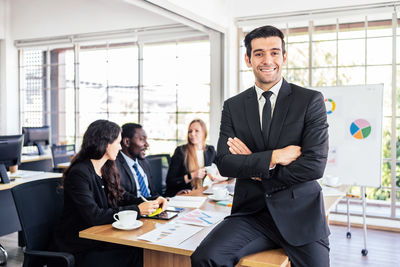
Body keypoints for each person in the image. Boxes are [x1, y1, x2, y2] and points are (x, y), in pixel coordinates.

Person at [191, 25, 330, 267]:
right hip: (252, 215)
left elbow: (314, 166)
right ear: (248, 59)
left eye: (275, 52)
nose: (267, 60)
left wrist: (254, 165)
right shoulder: (233, 106)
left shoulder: (310, 100)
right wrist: (275, 156)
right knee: (205, 257)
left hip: (301, 216)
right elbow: (225, 163)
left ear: (284, 57)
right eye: (259, 53)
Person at [51, 120, 167, 267]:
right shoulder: (79, 173)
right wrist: (138, 210)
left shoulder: (107, 167)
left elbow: (122, 196)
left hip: (102, 238)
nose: (120, 147)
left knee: (143, 248)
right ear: (106, 143)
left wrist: (153, 201)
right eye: (118, 142)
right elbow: (94, 216)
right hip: (81, 245)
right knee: (139, 254)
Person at [165, 119, 223, 197]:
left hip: (201, 192)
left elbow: (225, 169)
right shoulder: (181, 151)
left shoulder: (210, 151)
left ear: (204, 133)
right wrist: (193, 175)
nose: (192, 134)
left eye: (196, 131)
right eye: (190, 131)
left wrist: (218, 177)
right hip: (183, 194)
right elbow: (170, 182)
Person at [116, 123, 167, 203]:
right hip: (136, 211)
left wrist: (164, 199)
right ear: (127, 142)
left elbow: (153, 193)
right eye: (142, 139)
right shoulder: (114, 165)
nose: (147, 144)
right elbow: (122, 199)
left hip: (153, 208)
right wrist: (150, 202)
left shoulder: (144, 162)